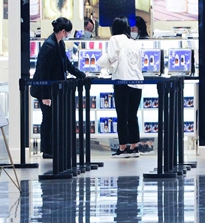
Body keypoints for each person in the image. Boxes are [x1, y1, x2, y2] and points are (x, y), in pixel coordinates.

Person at [32, 17, 86, 158]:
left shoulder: (59, 44)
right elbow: (43, 72)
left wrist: (80, 74)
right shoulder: (49, 46)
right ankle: (47, 149)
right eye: (67, 32)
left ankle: (54, 147)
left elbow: (66, 64)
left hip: (54, 89)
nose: (68, 35)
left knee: (54, 118)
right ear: (63, 31)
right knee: (48, 118)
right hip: (45, 90)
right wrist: (45, 96)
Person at [98, 16, 144, 158]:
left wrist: (103, 64)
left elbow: (112, 57)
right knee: (132, 115)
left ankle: (123, 147)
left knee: (122, 116)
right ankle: (134, 146)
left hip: (122, 81)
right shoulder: (133, 42)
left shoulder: (114, 39)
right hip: (137, 82)